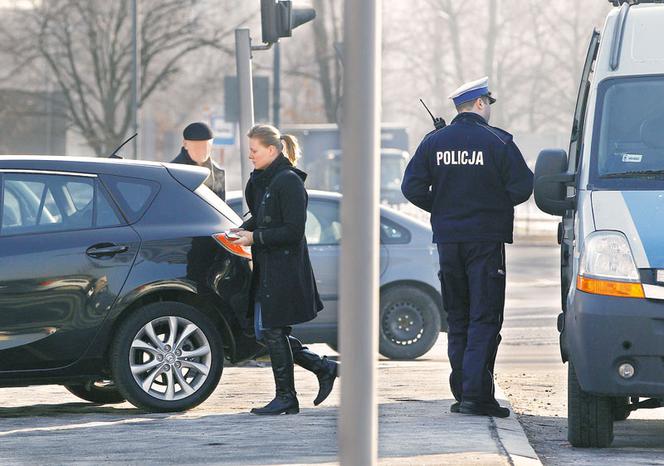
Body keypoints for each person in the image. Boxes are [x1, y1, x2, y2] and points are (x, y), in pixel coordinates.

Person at [401, 77, 533, 418]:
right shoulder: (498, 142)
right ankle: (477, 396)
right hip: (485, 242)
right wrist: (490, 206)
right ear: (479, 104)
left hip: (448, 241)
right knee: (485, 316)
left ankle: (463, 392)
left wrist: (444, 207)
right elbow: (522, 187)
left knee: (458, 317)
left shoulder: (434, 142)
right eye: (487, 103)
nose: (488, 109)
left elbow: (412, 187)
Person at [231, 124, 339, 415]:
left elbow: (292, 231)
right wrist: (240, 230)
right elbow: (263, 217)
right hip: (269, 268)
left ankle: (287, 397)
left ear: (272, 150)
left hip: (284, 269)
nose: (250, 156)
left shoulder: (288, 181)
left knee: (271, 329)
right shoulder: (265, 180)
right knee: (263, 331)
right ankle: (322, 367)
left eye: (254, 151)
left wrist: (255, 237)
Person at [171, 122, 226, 201]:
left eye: (205, 147)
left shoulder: (218, 173)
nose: (201, 151)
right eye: (196, 147)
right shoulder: (172, 173)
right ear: (185, 144)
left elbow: (222, 207)